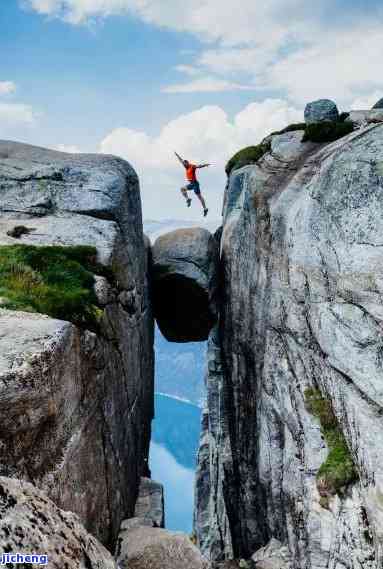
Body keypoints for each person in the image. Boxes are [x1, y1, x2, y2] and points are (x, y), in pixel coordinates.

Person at [175, 151, 210, 216]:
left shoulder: (192, 166)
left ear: (188, 163)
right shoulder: (186, 167)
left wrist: (205, 165)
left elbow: (198, 166)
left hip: (195, 184)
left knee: (199, 197)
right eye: (184, 165)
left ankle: (205, 209)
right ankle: (188, 199)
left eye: (185, 164)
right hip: (191, 184)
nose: (185, 166)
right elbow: (181, 160)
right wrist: (177, 155)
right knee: (182, 189)